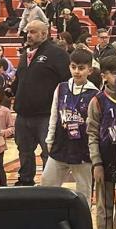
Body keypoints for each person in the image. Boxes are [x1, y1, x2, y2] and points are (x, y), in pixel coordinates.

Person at [13, 20, 71, 185]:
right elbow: (19, 79)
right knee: (24, 151)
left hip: (46, 115)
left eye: (32, 32)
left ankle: (49, 185)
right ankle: (25, 181)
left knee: (48, 152)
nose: (28, 35)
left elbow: (66, 82)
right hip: (23, 115)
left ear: (44, 34)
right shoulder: (25, 54)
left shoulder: (57, 54)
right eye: (27, 32)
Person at [41, 47, 96, 201]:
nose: (77, 71)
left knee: (84, 191)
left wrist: (94, 150)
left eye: (81, 68)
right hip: (60, 144)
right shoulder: (61, 88)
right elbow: (54, 115)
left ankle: (83, 215)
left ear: (90, 70)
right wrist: (49, 139)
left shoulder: (94, 94)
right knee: (47, 184)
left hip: (82, 149)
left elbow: (94, 127)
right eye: (73, 67)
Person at [88, 57, 116, 229]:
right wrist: (96, 163)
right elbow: (92, 134)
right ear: (104, 76)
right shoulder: (98, 101)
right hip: (105, 161)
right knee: (105, 207)